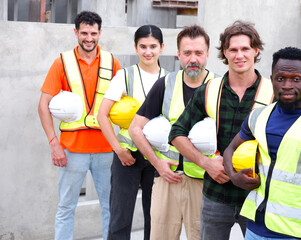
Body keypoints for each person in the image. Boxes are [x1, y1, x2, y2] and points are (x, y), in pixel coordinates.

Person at [223, 47, 301, 240]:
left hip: (300, 234)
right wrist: (234, 176)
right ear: (272, 79)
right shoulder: (258, 116)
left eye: (296, 79)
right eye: (280, 78)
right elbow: (230, 149)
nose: (287, 85)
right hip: (255, 229)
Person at [169, 20, 273, 239]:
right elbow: (176, 133)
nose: (239, 55)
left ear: (256, 50)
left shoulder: (273, 94)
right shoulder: (209, 91)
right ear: (225, 53)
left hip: (258, 195)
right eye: (233, 49)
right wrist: (206, 163)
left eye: (245, 49)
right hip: (216, 195)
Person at [128, 25, 217, 240]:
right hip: (167, 180)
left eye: (198, 53)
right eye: (187, 53)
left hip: (205, 183)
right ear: (178, 55)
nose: (192, 59)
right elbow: (134, 129)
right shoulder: (165, 84)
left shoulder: (220, 86)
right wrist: (157, 164)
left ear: (207, 54)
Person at [38, 11, 121, 240]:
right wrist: (54, 143)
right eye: (84, 32)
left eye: (93, 33)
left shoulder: (112, 63)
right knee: (66, 208)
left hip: (105, 150)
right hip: (71, 151)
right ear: (76, 32)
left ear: (100, 33)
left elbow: (124, 105)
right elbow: (43, 105)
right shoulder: (61, 63)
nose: (89, 38)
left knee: (111, 207)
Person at [97, 25, 167, 240]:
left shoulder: (170, 78)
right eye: (143, 46)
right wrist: (118, 150)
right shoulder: (124, 75)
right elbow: (102, 115)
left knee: (155, 218)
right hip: (128, 156)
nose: (148, 52)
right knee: (120, 217)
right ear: (135, 47)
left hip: (157, 157)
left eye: (153, 46)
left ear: (162, 47)